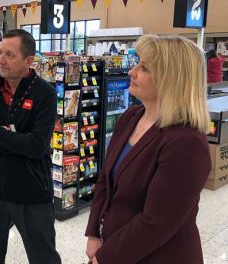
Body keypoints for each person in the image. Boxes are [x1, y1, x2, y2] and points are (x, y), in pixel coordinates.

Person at [85, 35, 211, 264]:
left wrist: (105, 257)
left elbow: (157, 221)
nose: (132, 71)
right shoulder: (131, 117)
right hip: (115, 247)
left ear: (171, 79)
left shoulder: (187, 142)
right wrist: (93, 232)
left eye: (144, 67)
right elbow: (105, 178)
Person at [0, 29, 61, 264]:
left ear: (29, 60)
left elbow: (37, 146)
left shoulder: (45, 94)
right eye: (0, 52)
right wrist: (17, 140)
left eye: (9, 54)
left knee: (44, 257)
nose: (1, 59)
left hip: (32, 192)